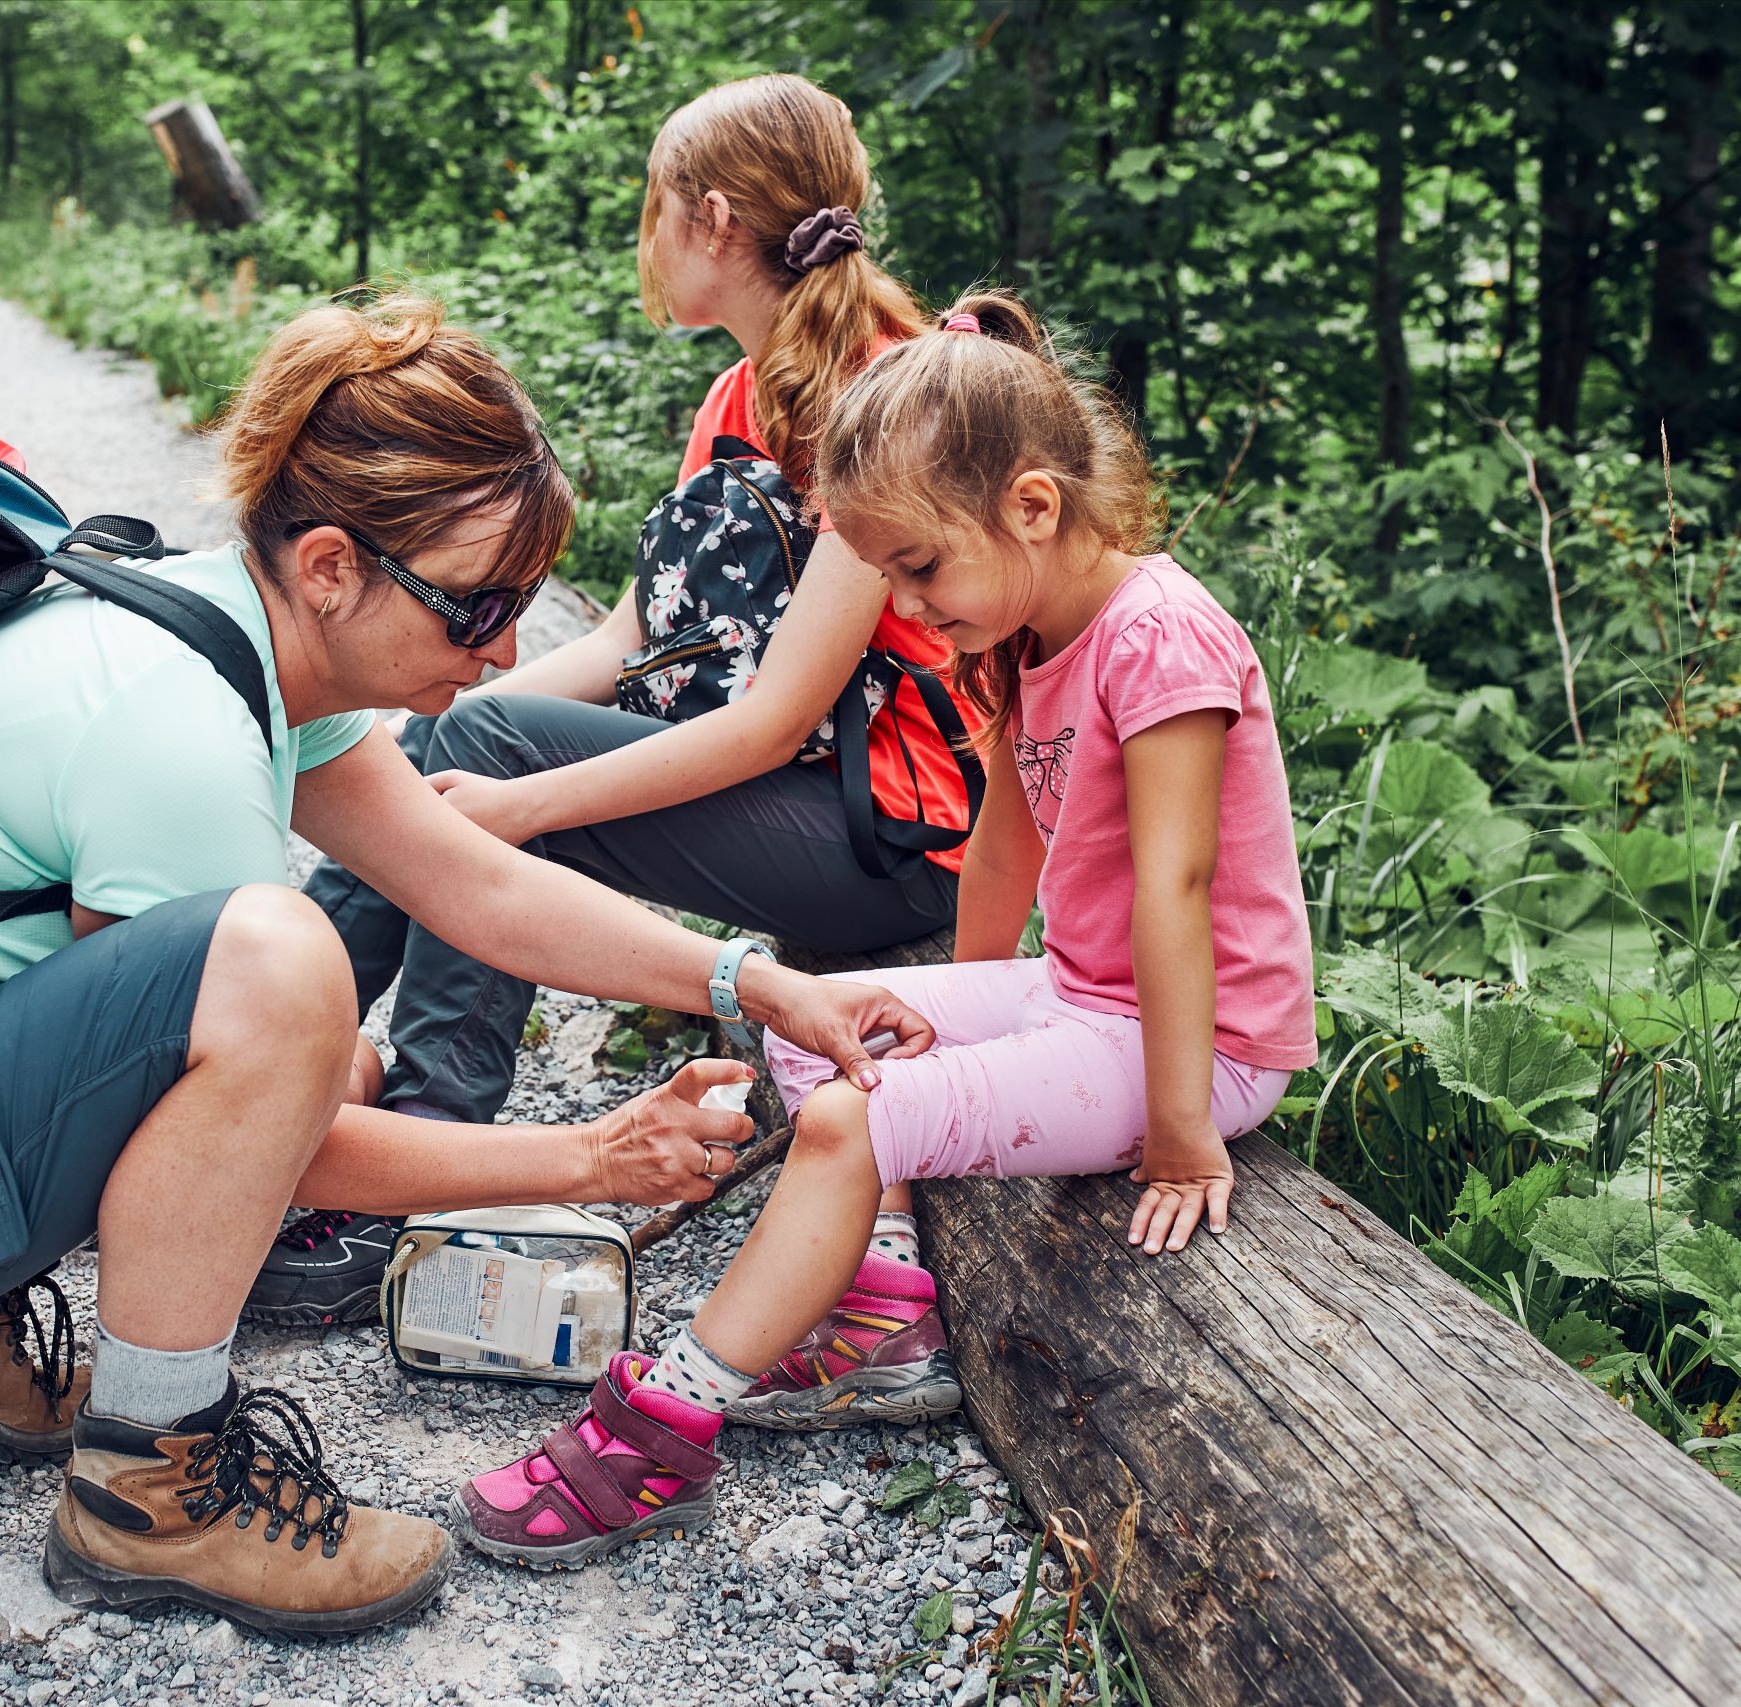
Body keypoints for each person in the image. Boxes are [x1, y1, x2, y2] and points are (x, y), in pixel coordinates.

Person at [0, 297, 932, 1633]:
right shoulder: (177, 727)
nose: (500, 654)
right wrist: (586, 1160)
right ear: (329, 566)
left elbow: (476, 884)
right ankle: (152, 1487)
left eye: (523, 608)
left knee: (316, 1035)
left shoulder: (216, 628)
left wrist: (750, 983)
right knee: (284, 964)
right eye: (477, 604)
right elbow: (264, 1156)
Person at [451, 292, 1319, 1569]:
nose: (908, 601)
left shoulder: (1162, 640)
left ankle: (667, 1421)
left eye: (918, 567)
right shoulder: (1030, 631)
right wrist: (953, 1019)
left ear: (1032, 505)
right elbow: (1009, 843)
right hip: (1088, 999)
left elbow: (1173, 891)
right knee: (833, 1021)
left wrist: (1185, 1137)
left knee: (860, 1117)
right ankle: (882, 1309)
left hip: (1208, 1048)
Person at [281, 74, 982, 1330]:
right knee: (457, 725)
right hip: (783, 792)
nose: (643, 237)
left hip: (885, 838)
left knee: (488, 757)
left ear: (711, 220)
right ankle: (287, 1055)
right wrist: (430, 726)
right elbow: (633, 637)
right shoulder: (739, 390)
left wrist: (501, 805)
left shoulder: (894, 398)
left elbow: (772, 720)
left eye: (652, 208)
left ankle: (416, 1146)